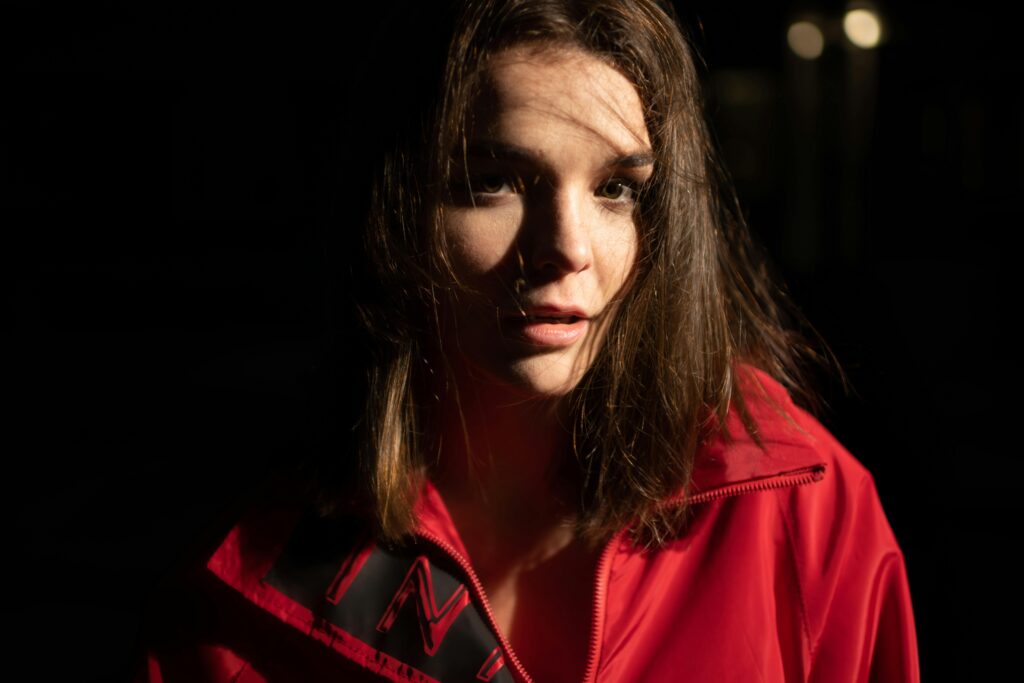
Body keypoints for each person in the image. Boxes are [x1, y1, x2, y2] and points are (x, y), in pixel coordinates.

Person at [135, 1, 919, 681]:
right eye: (495, 180)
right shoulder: (241, 567)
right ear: (395, 209)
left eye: (615, 188)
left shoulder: (805, 518)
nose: (566, 247)